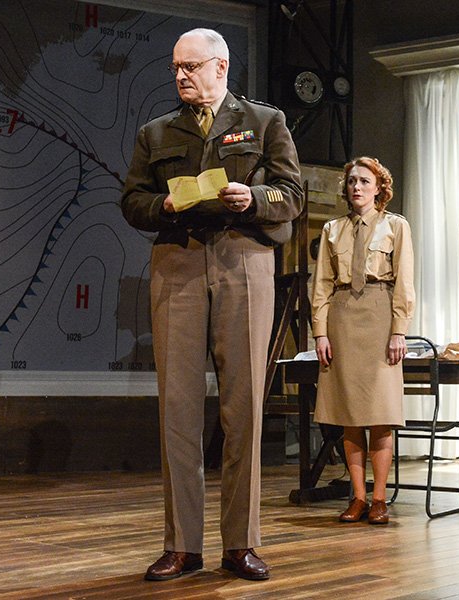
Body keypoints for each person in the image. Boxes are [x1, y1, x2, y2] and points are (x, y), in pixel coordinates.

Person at [121, 28, 303, 581]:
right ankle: (182, 544)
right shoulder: (156, 132)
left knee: (243, 405)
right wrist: (164, 204)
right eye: (175, 66)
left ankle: (240, 543)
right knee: (176, 408)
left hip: (244, 259)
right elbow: (131, 200)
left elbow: (292, 194)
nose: (180, 75)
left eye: (191, 66)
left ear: (221, 67)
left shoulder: (265, 122)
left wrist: (255, 199)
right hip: (177, 261)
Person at [311, 157, 415, 525]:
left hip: (379, 313)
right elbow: (321, 284)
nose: (356, 187)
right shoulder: (332, 229)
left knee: (381, 415)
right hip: (342, 317)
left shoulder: (395, 226)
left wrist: (399, 329)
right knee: (349, 416)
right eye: (352, 181)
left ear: (379, 188)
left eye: (364, 181)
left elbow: (404, 282)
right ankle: (357, 497)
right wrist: (320, 332)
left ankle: (380, 498)